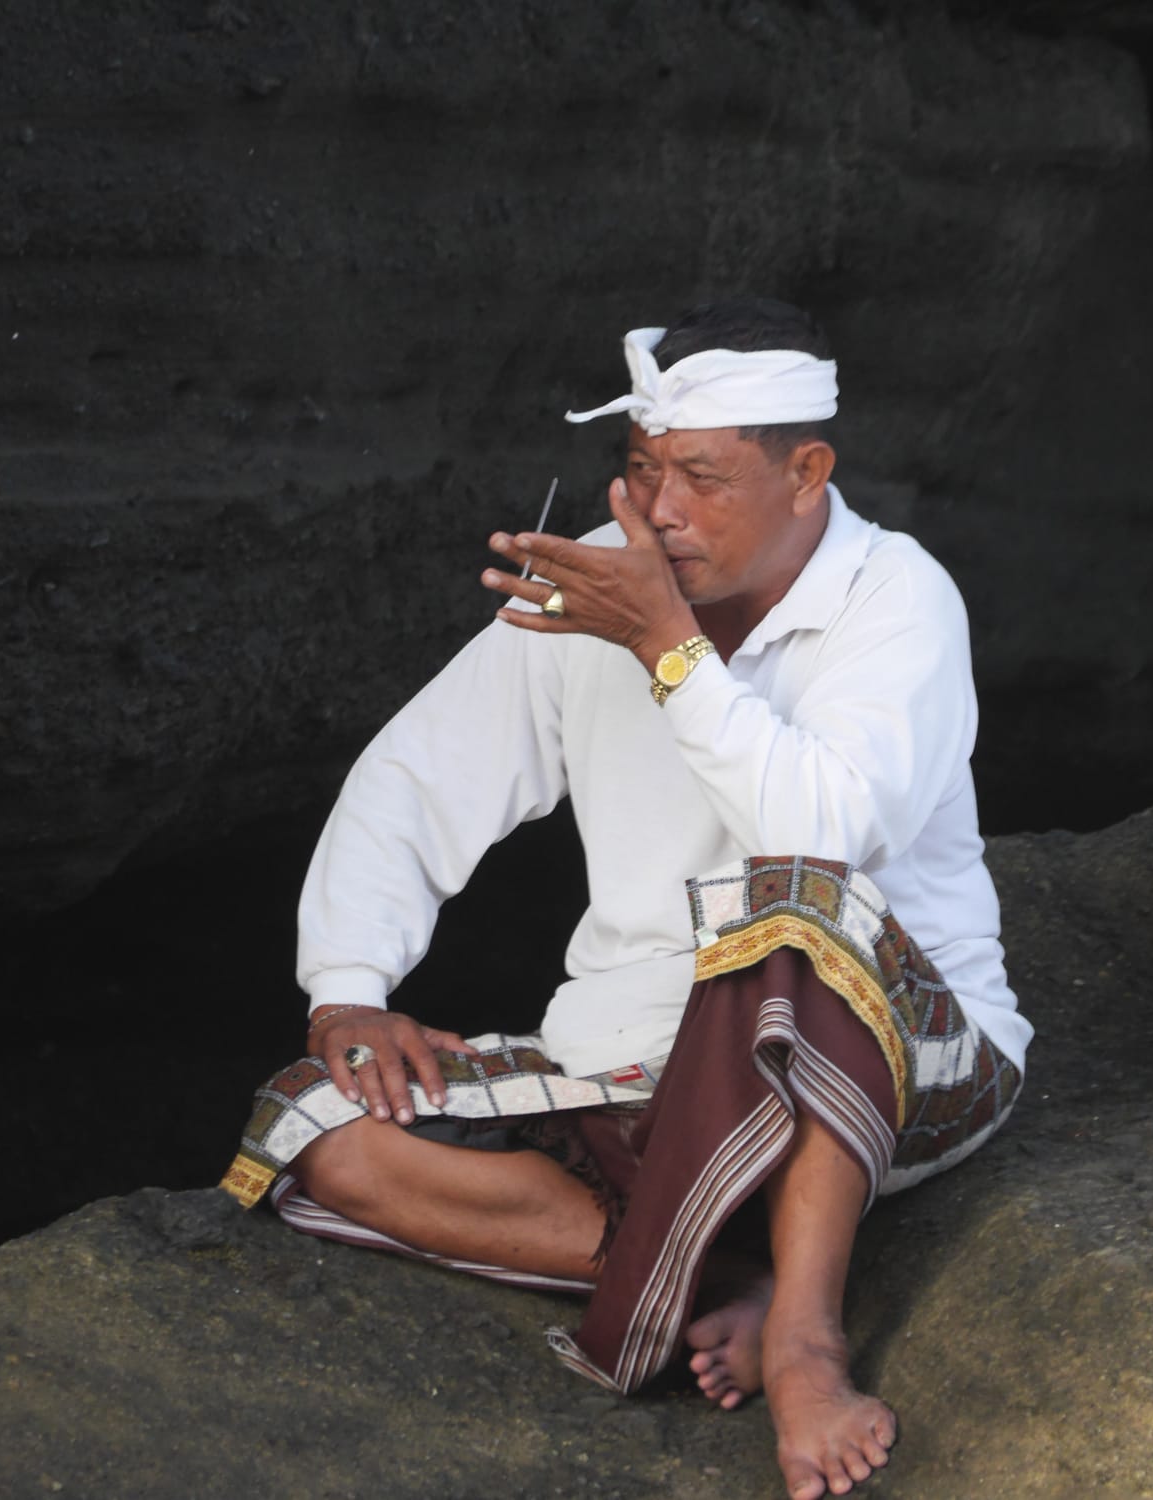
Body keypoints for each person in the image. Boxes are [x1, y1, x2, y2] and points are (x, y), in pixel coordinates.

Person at [221, 298, 1032, 1500]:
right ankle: (718, 1272)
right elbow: (415, 775)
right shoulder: (598, 597)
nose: (657, 512)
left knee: (790, 898)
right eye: (642, 470)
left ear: (805, 473)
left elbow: (825, 836)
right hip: (640, 1078)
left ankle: (805, 1337)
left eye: (700, 477)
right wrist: (346, 990)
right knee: (317, 1129)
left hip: (884, 1064)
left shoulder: (892, 596)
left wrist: (668, 654)